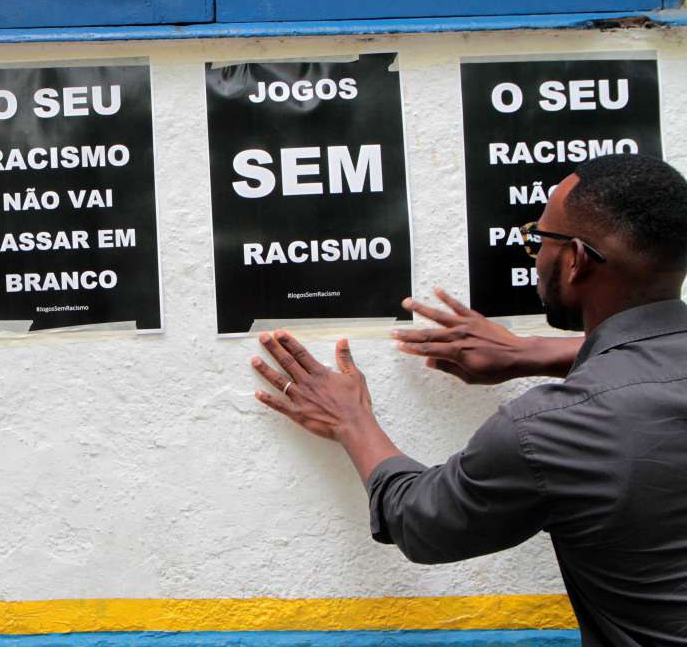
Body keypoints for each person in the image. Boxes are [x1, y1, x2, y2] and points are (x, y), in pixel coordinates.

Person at [252, 153, 687, 646]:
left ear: (575, 261)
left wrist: (351, 420)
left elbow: (418, 519)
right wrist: (533, 353)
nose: (535, 252)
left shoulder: (547, 431)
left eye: (538, 238)